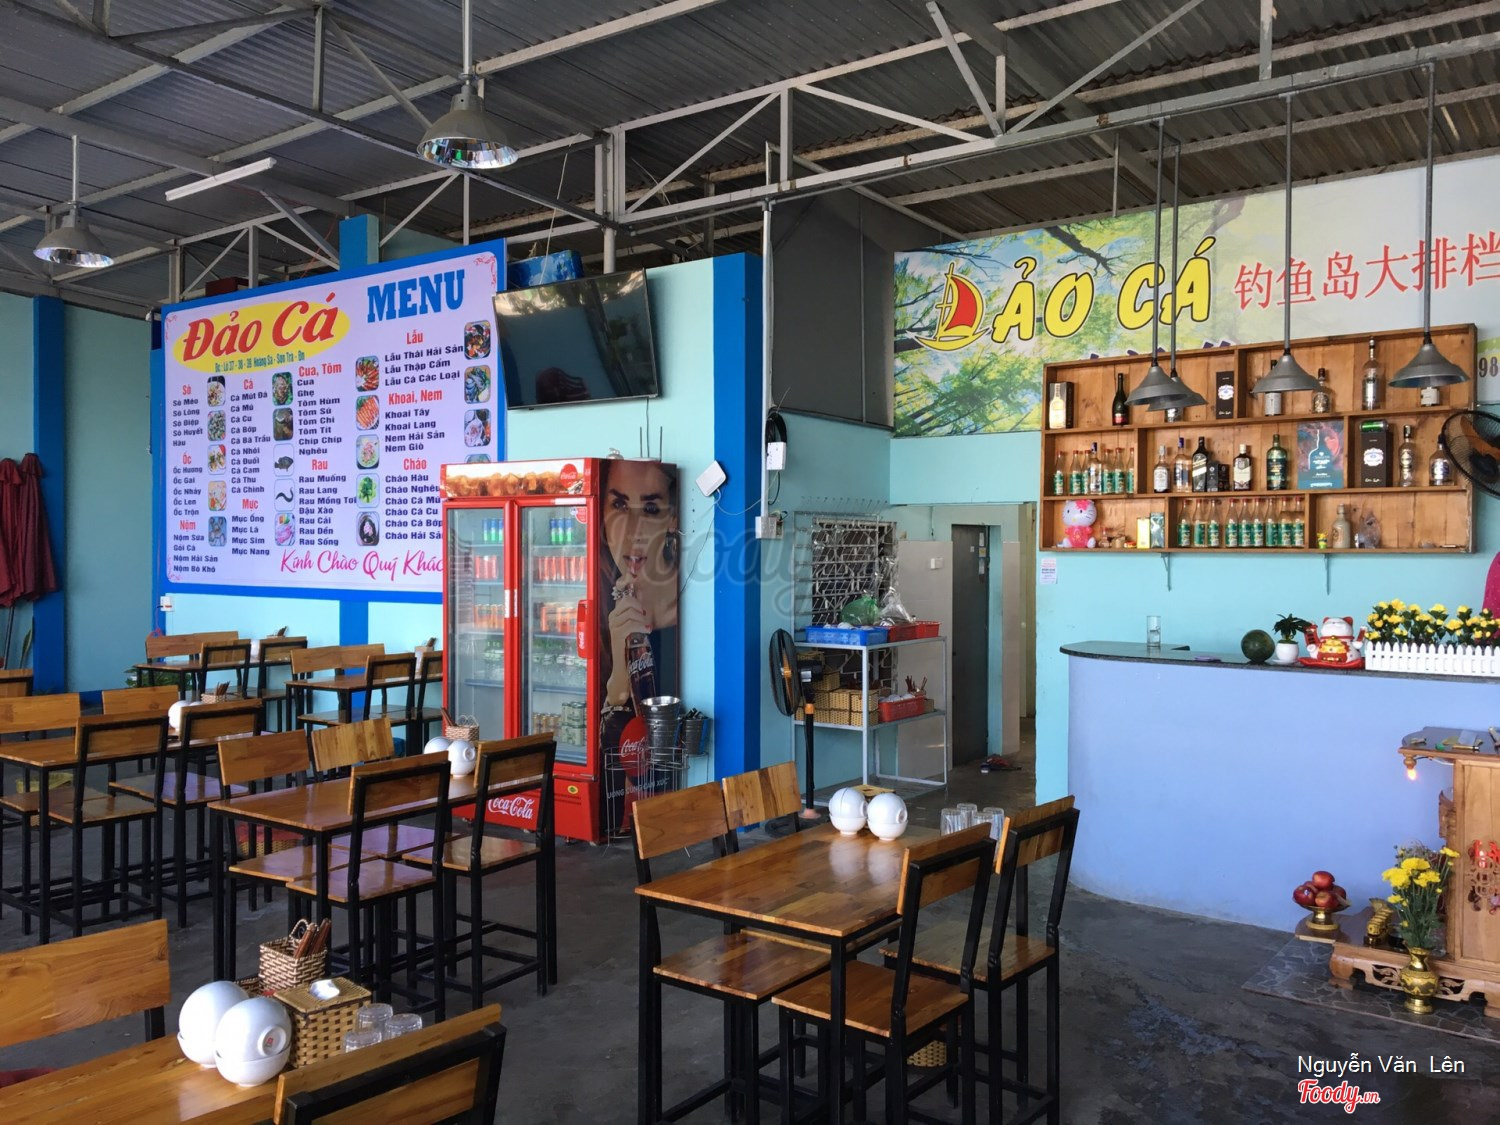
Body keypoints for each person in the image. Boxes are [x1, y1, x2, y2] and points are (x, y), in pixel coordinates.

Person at [597, 460, 678, 834]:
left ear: (672, 518)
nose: (631, 531)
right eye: (618, 505)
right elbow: (610, 715)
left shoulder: (686, 608)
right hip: (621, 790)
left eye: (649, 508)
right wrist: (619, 660)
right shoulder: (603, 603)